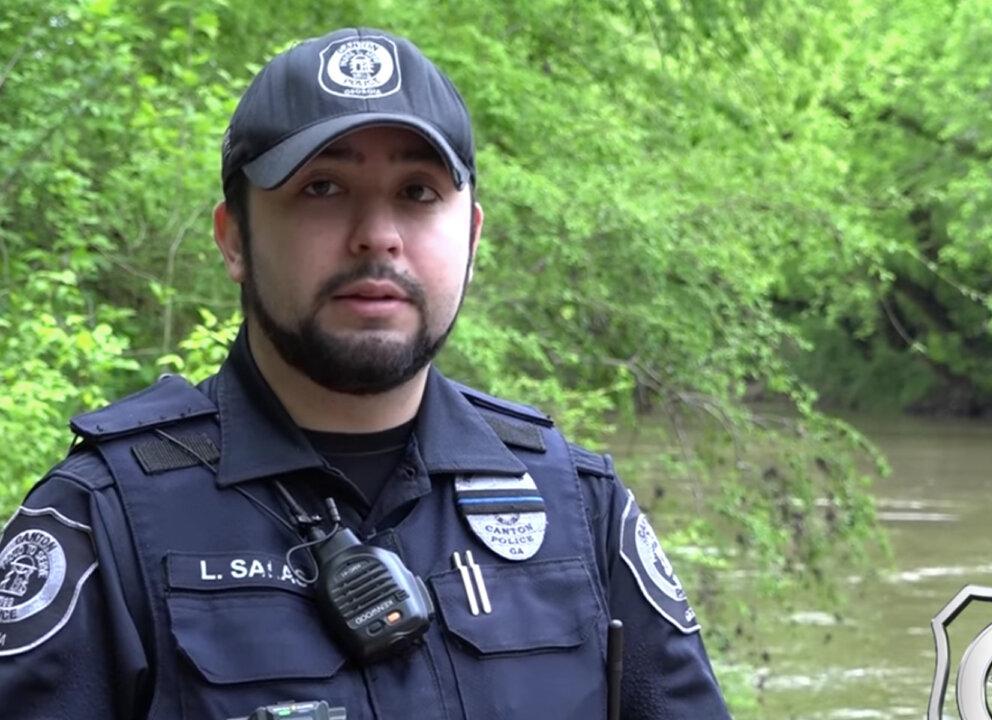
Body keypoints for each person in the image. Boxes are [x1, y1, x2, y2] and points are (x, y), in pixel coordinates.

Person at [0, 26, 732, 719]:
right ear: (235, 239)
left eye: (418, 193)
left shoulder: (578, 506)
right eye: (323, 188)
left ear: (471, 237)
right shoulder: (102, 522)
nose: (377, 236)